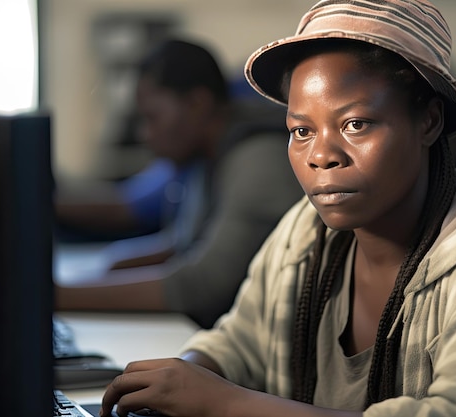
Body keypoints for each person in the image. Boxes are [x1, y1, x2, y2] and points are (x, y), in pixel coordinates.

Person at [99, 1, 456, 416]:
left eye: (356, 124)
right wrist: (177, 382)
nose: (321, 155)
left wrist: (222, 403)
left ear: (428, 121)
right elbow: (236, 344)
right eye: (301, 130)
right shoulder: (307, 231)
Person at [54, 38, 303, 329]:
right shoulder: (205, 156)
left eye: (153, 118)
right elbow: (184, 244)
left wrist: (57, 296)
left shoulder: (258, 161)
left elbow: (202, 285)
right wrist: (109, 269)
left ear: (198, 103)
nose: (146, 135)